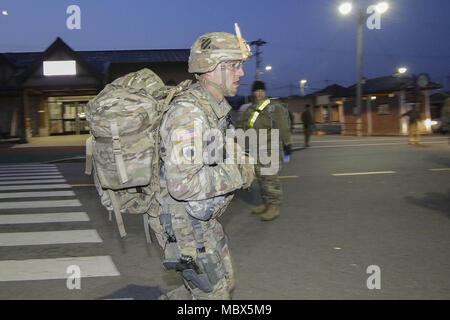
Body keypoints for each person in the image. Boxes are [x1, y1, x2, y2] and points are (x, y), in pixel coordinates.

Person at [149, 31, 255, 300]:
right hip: (185, 226)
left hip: (203, 218)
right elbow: (182, 185)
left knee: (225, 283)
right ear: (211, 69)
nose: (241, 73)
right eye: (234, 65)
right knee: (213, 295)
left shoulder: (213, 107)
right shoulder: (189, 114)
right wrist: (238, 172)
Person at [244, 80, 292, 221]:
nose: (259, 93)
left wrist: (287, 143)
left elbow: (283, 126)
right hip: (255, 149)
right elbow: (245, 128)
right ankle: (266, 203)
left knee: (270, 177)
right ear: (253, 92)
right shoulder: (250, 109)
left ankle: (274, 207)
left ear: (265, 92)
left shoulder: (273, 107)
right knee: (261, 178)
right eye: (256, 91)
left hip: (270, 148)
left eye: (261, 91)